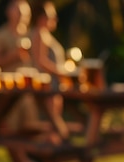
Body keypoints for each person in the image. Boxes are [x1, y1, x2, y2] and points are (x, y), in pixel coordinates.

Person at [0, 0, 56, 162]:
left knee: (29, 127)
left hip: (27, 91)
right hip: (7, 91)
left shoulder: (29, 36)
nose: (23, 16)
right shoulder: (0, 35)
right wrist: (14, 56)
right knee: (10, 127)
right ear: (9, 12)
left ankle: (34, 161)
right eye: (19, 12)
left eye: (26, 13)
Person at [29, 1, 69, 140]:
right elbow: (40, 61)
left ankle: (54, 157)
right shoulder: (40, 34)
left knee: (54, 121)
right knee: (53, 122)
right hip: (48, 85)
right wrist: (61, 72)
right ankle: (52, 156)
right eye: (52, 16)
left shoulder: (44, 34)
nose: (55, 19)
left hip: (53, 84)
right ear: (41, 17)